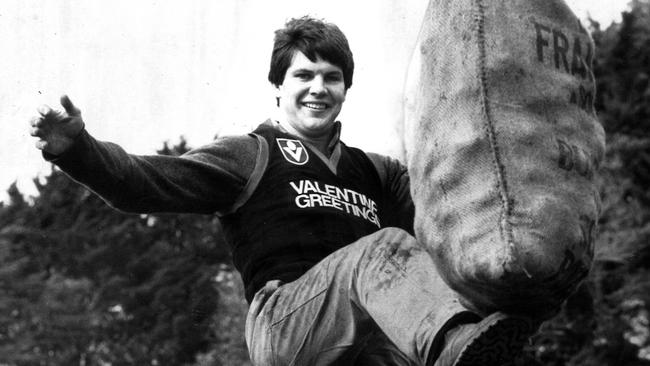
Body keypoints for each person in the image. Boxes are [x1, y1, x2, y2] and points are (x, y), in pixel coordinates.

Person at [29, 16, 537, 366]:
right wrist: (77, 149)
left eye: (332, 78)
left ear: (345, 89)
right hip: (287, 326)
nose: (319, 88)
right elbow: (144, 183)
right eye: (304, 75)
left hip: (368, 340)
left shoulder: (378, 172)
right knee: (381, 252)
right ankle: (452, 345)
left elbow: (445, 213)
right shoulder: (250, 154)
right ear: (278, 84)